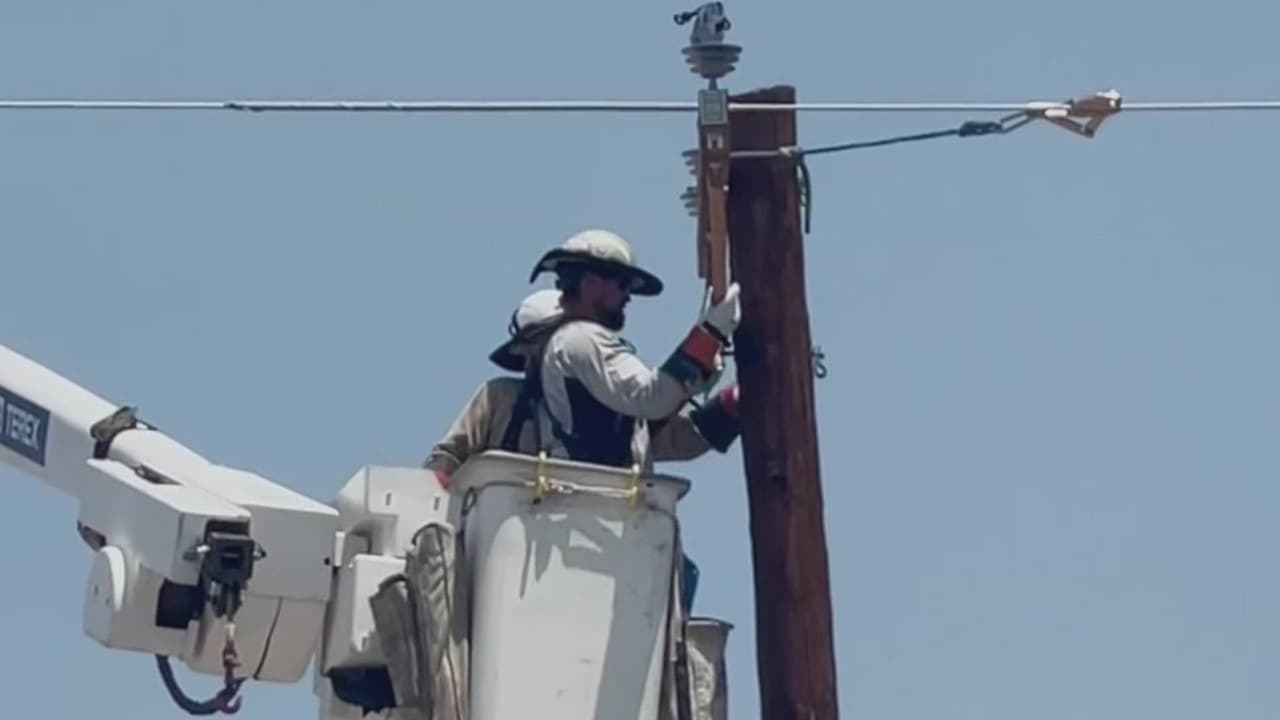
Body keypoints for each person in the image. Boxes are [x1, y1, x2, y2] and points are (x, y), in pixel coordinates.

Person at [423, 284, 741, 487]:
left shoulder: (606, 408)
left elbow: (678, 439)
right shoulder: (501, 400)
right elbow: (446, 460)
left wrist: (734, 405)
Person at [529, 228, 741, 472]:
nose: (627, 296)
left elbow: (660, 437)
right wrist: (709, 333)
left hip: (601, 496)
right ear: (591, 284)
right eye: (622, 284)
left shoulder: (575, 347)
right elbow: (652, 397)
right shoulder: (580, 339)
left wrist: (727, 406)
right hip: (593, 497)